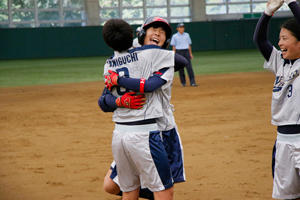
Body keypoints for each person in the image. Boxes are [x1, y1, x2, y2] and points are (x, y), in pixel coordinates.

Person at [99, 17, 187, 200]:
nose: (157, 33)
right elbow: (103, 101)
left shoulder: (159, 59)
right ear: (140, 33)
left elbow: (178, 63)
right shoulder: (125, 58)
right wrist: (120, 101)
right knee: (111, 186)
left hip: (162, 129)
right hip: (139, 132)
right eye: (153, 29)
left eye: (162, 33)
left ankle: (155, 190)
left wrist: (144, 51)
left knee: (160, 187)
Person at [253, 0, 300, 199]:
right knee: (286, 196)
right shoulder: (279, 61)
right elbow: (260, 40)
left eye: (284, 38)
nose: (279, 43)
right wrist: (267, 13)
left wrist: (292, 3)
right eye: (279, 38)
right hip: (282, 140)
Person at [170, 22, 197, 87]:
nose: (182, 28)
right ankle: (183, 83)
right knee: (180, 68)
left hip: (186, 52)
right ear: (177, 28)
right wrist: (173, 55)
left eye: (182, 27)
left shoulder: (187, 35)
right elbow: (174, 46)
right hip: (179, 52)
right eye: (180, 27)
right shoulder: (174, 36)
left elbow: (189, 45)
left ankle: (192, 82)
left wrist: (190, 53)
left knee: (189, 68)